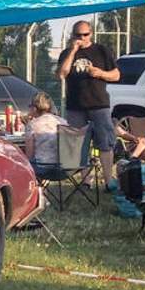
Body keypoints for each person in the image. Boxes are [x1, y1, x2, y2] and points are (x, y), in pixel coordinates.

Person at [56, 20, 120, 187]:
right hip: (76, 106)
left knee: (105, 143)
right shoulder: (66, 53)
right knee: (78, 145)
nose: (82, 38)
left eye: (85, 34)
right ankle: (85, 181)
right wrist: (73, 50)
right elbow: (62, 74)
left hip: (99, 104)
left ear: (91, 34)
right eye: (78, 35)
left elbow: (116, 75)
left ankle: (108, 181)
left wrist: (100, 73)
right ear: (72, 35)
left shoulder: (101, 51)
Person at [22, 91, 65, 179]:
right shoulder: (63, 121)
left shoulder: (32, 125)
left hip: (43, 167)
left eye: (30, 106)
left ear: (34, 108)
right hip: (66, 168)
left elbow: (29, 155)